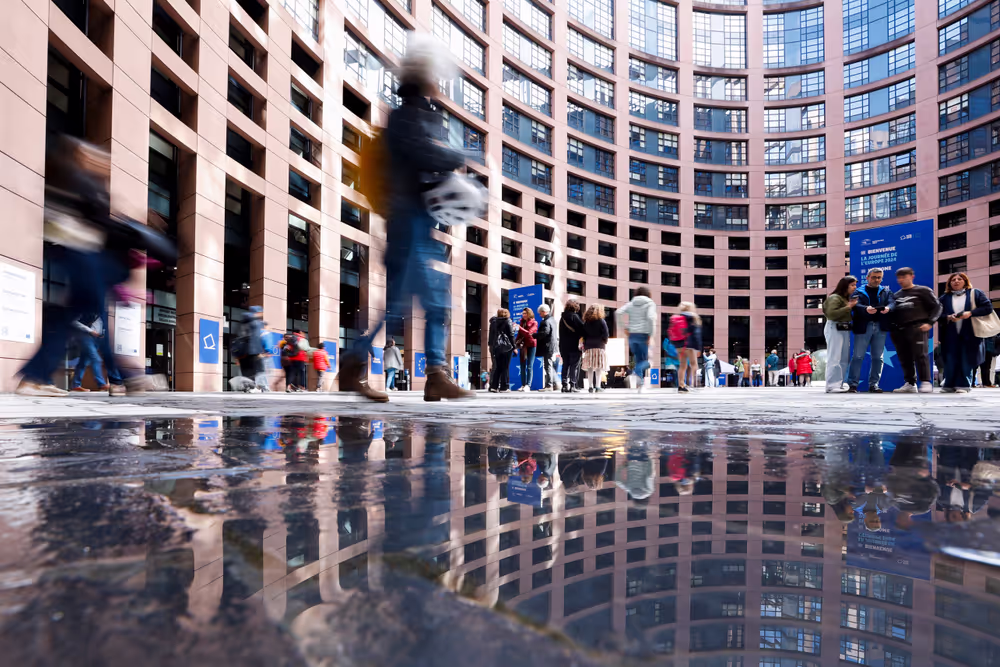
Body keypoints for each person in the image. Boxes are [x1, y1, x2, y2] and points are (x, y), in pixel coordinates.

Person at [339, 34, 474, 403]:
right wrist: (453, 157)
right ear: (426, 76)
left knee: (400, 303)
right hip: (409, 220)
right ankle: (434, 375)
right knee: (434, 302)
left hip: (412, 220)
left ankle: (354, 364)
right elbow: (422, 155)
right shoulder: (409, 115)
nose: (440, 83)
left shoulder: (414, 114)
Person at [938, 272, 993, 393]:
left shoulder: (975, 293)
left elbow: (988, 308)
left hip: (970, 333)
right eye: (953, 280)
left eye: (959, 279)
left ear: (965, 281)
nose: (956, 281)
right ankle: (949, 384)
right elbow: (937, 315)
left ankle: (963, 385)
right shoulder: (943, 298)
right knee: (950, 359)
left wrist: (970, 313)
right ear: (949, 283)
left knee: (966, 359)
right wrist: (947, 317)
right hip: (950, 335)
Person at [891, 267, 941, 393]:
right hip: (899, 330)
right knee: (904, 357)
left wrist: (930, 322)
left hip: (917, 328)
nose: (901, 280)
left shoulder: (923, 291)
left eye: (904, 277)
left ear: (912, 277)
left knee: (920, 355)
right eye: (899, 277)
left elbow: (938, 307)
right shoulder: (896, 295)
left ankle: (925, 381)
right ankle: (910, 383)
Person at [847, 268, 895, 393]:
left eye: (879, 277)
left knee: (878, 358)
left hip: (880, 326)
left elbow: (892, 302)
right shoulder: (859, 291)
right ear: (867, 278)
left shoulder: (886, 291)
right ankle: (853, 385)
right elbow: (855, 305)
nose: (877, 280)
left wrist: (888, 308)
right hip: (863, 326)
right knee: (857, 356)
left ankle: (874, 385)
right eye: (874, 277)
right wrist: (865, 309)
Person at [615, 286, 656, 392]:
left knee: (638, 360)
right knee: (646, 362)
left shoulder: (631, 303)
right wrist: (650, 334)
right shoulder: (650, 303)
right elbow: (651, 318)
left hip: (632, 335)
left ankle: (641, 386)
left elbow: (618, 312)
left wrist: (624, 328)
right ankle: (634, 373)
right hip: (643, 335)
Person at [822, 275, 858, 394]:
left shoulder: (844, 298)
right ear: (845, 286)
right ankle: (832, 385)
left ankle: (839, 383)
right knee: (835, 357)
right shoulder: (835, 298)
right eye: (852, 285)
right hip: (835, 327)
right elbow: (831, 314)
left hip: (843, 328)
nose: (854, 287)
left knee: (843, 358)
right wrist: (849, 307)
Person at [69, 313, 109, 392]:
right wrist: (90, 330)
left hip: (97, 340)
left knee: (83, 362)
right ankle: (101, 384)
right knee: (96, 359)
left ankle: (75, 385)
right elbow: (73, 321)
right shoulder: (87, 310)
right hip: (86, 337)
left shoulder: (104, 314)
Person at [669, 302, 702, 393]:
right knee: (694, 364)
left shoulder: (677, 317)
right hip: (689, 345)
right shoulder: (693, 317)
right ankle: (694, 385)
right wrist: (698, 348)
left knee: (682, 366)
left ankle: (681, 386)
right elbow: (696, 334)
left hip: (679, 345)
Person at [487, 308, 517, 393]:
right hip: (506, 347)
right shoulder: (508, 321)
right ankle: (504, 387)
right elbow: (511, 335)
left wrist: (491, 346)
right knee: (505, 367)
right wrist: (514, 347)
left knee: (498, 367)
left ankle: (494, 386)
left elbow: (491, 335)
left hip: (496, 347)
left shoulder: (493, 322)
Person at [582, 304, 609, 393]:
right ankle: (597, 387)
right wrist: (604, 341)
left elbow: (584, 335)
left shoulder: (586, 322)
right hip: (599, 346)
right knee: (598, 367)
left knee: (590, 368)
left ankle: (590, 386)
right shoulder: (601, 321)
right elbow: (606, 334)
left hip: (589, 347)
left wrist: (585, 345)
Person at [559, 299, 585, 392]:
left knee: (565, 365)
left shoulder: (562, 318)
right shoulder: (575, 317)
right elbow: (582, 329)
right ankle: (573, 385)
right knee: (574, 365)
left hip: (563, 346)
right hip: (574, 345)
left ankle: (564, 385)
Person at [534, 303, 558, 391]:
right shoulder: (552, 320)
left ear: (544, 312)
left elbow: (545, 333)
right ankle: (554, 383)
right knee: (550, 365)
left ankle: (549, 385)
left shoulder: (545, 321)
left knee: (547, 365)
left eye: (540, 313)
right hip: (553, 345)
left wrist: (534, 335)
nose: (539, 315)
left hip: (547, 346)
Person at [515, 307, 538, 391]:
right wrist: (515, 343)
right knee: (522, 366)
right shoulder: (522, 322)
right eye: (523, 313)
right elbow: (519, 335)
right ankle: (523, 385)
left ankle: (528, 385)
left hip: (531, 345)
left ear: (529, 314)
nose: (523, 315)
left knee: (529, 366)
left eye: (525, 313)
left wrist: (520, 328)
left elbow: (529, 333)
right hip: (523, 345)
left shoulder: (534, 322)